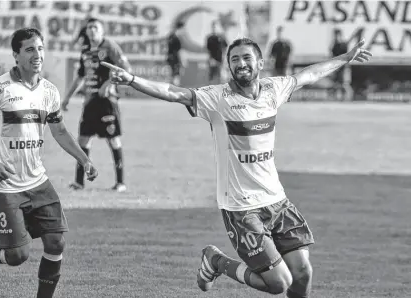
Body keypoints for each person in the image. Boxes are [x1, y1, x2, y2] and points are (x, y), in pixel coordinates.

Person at [100, 38, 372, 297]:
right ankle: (217, 261)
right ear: (228, 65)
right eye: (234, 60)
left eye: (246, 58)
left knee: (302, 274)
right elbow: (173, 93)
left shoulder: (272, 90)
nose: (240, 64)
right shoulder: (217, 98)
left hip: (277, 201)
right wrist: (132, 80)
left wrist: (345, 58)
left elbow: (309, 75)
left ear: (260, 62)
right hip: (242, 208)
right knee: (278, 283)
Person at [0, 28, 98, 297]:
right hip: (6, 186)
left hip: (38, 182)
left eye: (41, 48)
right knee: (17, 255)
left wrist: (84, 160)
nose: (37, 54)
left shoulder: (49, 92)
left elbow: (59, 131)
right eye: (30, 49)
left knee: (56, 242)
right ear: (16, 55)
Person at [62, 18, 132, 192]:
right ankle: (79, 182)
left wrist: (109, 83)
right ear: (86, 32)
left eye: (96, 27)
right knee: (83, 139)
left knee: (113, 139)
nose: (92, 30)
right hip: (90, 102)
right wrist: (67, 98)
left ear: (102, 31)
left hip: (108, 102)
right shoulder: (85, 50)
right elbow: (80, 76)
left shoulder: (110, 46)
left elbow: (126, 70)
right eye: (90, 27)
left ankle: (120, 183)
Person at [330, 29, 353, 101]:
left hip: (344, 67)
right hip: (336, 67)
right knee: (336, 84)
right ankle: (339, 99)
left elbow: (346, 57)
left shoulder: (344, 45)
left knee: (345, 84)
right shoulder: (334, 45)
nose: (336, 37)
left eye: (337, 35)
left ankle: (349, 98)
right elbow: (332, 57)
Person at [166, 21, 185, 86]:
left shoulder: (170, 36)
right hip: (175, 59)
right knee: (176, 75)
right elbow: (178, 51)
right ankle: (174, 92)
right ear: (180, 28)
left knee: (172, 75)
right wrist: (182, 61)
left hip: (170, 58)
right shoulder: (177, 38)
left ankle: (170, 91)